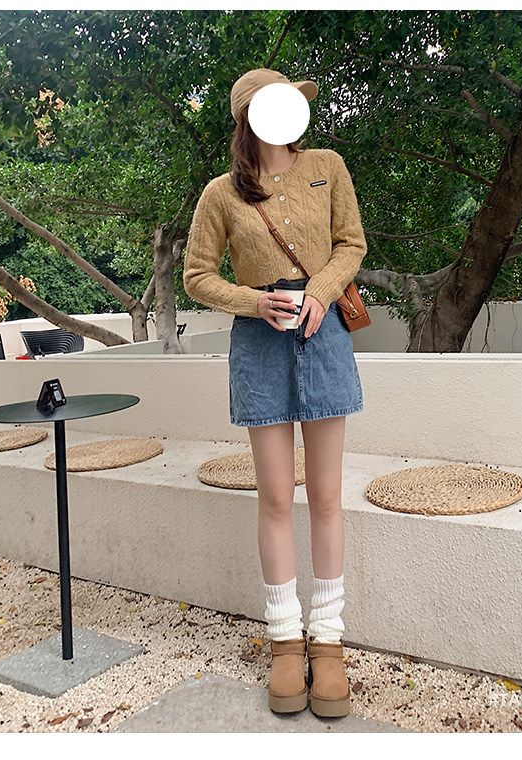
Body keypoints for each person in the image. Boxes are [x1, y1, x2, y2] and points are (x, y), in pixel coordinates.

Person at [183, 68, 366, 718]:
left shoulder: (327, 166)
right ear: (247, 118)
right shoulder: (220, 194)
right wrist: (254, 302)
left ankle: (328, 641)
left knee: (326, 495)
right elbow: (196, 276)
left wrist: (319, 293)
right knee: (275, 497)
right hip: (259, 344)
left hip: (325, 334)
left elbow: (351, 244)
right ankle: (286, 640)